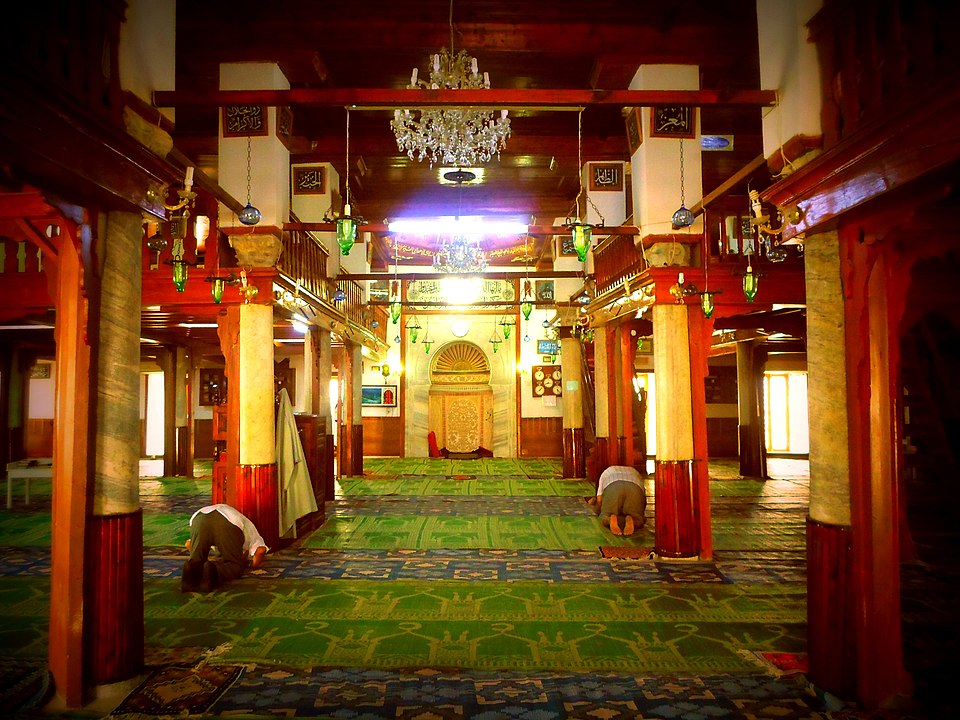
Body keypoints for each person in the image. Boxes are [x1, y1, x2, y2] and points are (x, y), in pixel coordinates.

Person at [181, 503, 269, 592]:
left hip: (198, 517)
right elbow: (261, 550)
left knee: (197, 561)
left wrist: (197, 554)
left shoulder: (235, 515)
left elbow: (188, 544)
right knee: (235, 566)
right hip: (228, 522)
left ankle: (190, 568)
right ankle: (213, 571)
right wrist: (253, 566)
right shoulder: (247, 525)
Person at [591, 465, 647, 536]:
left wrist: (601, 509)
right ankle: (632, 519)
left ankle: (610, 518)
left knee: (604, 516)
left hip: (613, 487)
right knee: (639, 518)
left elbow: (599, 499)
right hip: (634, 488)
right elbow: (643, 500)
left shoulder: (606, 472)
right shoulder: (634, 471)